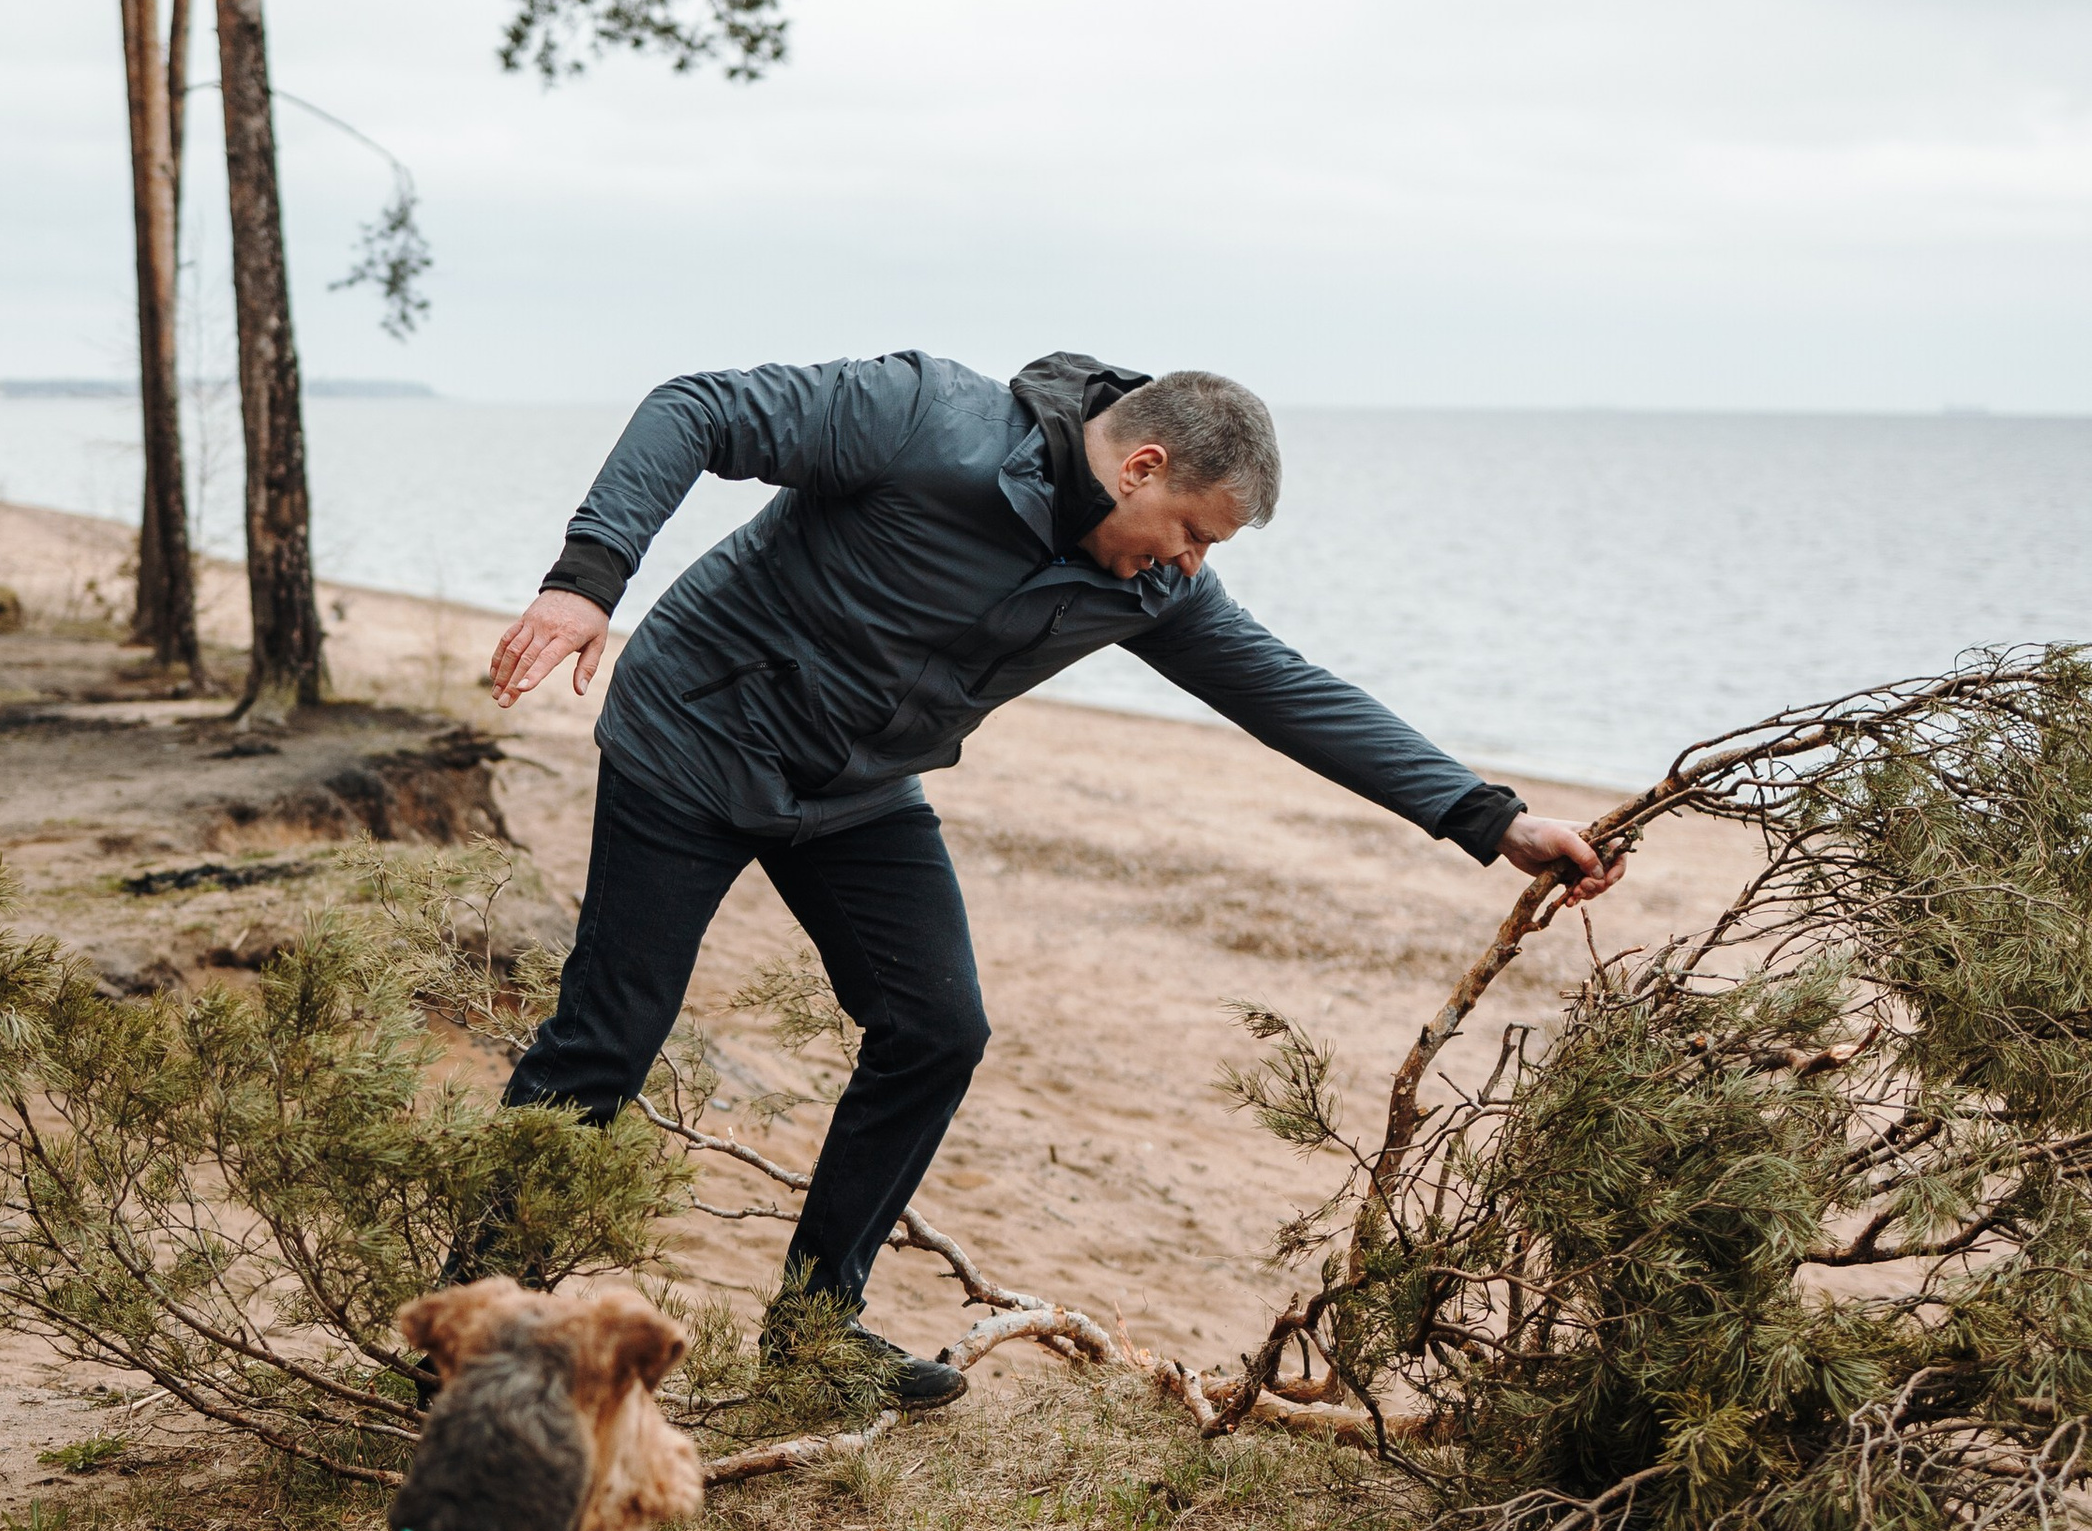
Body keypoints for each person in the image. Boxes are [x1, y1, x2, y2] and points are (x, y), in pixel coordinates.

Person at [483, 350, 1623, 1409]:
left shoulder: (1148, 586)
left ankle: (815, 1330)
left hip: (856, 791)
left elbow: (1287, 691)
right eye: (1193, 531)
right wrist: (588, 579)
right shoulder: (927, 420)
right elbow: (696, 409)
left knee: (937, 1029)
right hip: (694, 734)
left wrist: (1490, 818)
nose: (1192, 563)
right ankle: (483, 1326)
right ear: (1141, 466)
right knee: (611, 1034)